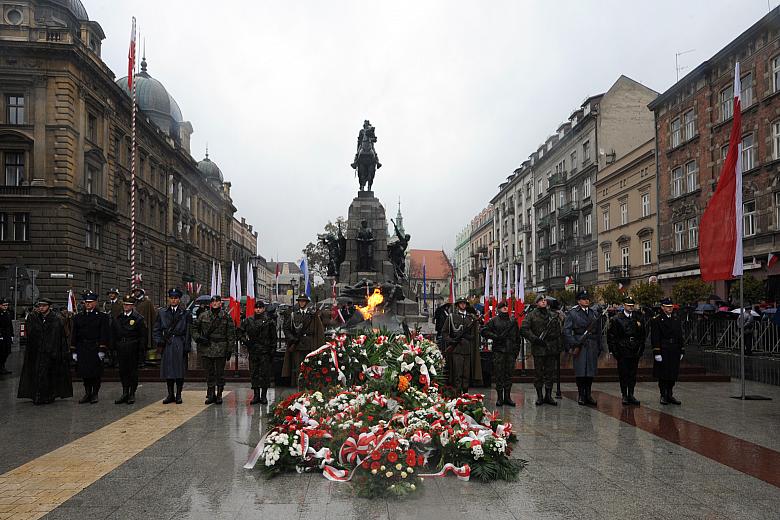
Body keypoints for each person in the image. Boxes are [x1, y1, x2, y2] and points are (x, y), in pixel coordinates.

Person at [17, 298, 73, 404]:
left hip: (51, 353)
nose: (41, 308)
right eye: (40, 306)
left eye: (43, 306)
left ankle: (49, 395)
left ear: (49, 307)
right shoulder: (34, 318)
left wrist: (59, 352)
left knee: (49, 375)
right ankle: (37, 396)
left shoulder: (56, 319)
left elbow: (59, 337)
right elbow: (31, 334)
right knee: (38, 374)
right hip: (37, 352)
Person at [191, 295, 236, 405]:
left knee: (219, 373)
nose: (215, 303)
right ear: (210, 304)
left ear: (221, 303)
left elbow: (231, 334)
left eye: (217, 301)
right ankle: (211, 394)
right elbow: (193, 328)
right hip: (207, 348)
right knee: (209, 373)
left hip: (221, 348)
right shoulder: (203, 315)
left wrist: (230, 349)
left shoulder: (226, 316)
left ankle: (219, 395)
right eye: (213, 301)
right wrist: (199, 338)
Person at [521, 294, 563, 407]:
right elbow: (524, 329)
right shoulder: (531, 315)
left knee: (550, 373)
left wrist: (559, 346)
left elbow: (559, 331)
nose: (543, 302)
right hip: (539, 348)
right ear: (536, 303)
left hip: (551, 348)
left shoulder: (553, 315)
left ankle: (548, 395)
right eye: (540, 300)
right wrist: (534, 339)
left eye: (544, 300)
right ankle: (539, 396)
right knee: (538, 373)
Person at [563, 290, 604, 406]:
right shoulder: (573, 313)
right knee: (581, 371)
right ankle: (581, 394)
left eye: (588, 299)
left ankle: (588, 394)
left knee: (590, 372)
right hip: (579, 345)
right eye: (584, 299)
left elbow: (598, 331)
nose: (587, 300)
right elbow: (566, 331)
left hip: (591, 345)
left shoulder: (593, 313)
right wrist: (574, 343)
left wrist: (600, 345)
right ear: (579, 301)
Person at [70, 291, 110, 404]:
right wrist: (73, 350)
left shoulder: (102, 317)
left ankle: (95, 394)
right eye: (86, 302)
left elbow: (104, 333)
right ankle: (87, 393)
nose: (88, 304)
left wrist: (102, 349)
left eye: (90, 302)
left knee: (95, 373)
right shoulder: (78, 317)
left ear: (95, 303)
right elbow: (74, 334)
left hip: (95, 347)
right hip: (82, 347)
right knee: (84, 372)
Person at [153, 288, 191, 404]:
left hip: (179, 341)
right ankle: (170, 394)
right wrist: (159, 341)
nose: (173, 300)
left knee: (179, 369)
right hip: (167, 342)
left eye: (176, 298)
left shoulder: (185, 313)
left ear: (179, 300)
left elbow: (189, 331)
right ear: (169, 299)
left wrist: (187, 346)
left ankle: (178, 394)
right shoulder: (162, 312)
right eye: (171, 298)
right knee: (168, 369)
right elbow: (157, 328)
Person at [607, 296, 647, 406]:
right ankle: (624, 394)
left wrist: (640, 348)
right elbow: (612, 336)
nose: (630, 307)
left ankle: (631, 394)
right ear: (624, 305)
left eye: (632, 305)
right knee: (623, 373)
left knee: (633, 373)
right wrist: (614, 351)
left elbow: (643, 334)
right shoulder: (616, 318)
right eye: (628, 305)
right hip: (623, 349)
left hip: (634, 349)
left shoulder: (638, 317)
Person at [481, 300, 521, 407]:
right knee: (499, 375)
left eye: (506, 306)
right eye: (503, 307)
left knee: (509, 375)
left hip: (510, 352)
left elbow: (518, 338)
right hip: (499, 352)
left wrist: (516, 351)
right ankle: (499, 398)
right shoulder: (494, 320)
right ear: (498, 309)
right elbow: (484, 331)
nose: (505, 308)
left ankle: (507, 397)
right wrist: (496, 337)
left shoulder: (513, 321)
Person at [111, 294, 148, 404]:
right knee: (123, 371)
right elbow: (114, 333)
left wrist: (141, 351)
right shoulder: (119, 318)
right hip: (121, 348)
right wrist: (113, 347)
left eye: (129, 305)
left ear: (132, 306)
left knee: (132, 372)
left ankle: (132, 393)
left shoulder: (138, 319)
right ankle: (125, 392)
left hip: (133, 348)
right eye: (125, 304)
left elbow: (143, 336)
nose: (126, 306)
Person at [441, 296, 482, 394]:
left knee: (466, 374)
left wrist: (471, 337)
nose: (463, 305)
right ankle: (457, 394)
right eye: (461, 303)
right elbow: (444, 332)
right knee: (457, 374)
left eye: (464, 303)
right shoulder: (452, 317)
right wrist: (451, 341)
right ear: (458, 305)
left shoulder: (471, 318)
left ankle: (465, 394)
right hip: (456, 349)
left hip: (467, 350)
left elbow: (475, 334)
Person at [282, 294, 324, 388]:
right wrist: (292, 338)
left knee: (310, 366)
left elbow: (319, 330)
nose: (302, 302)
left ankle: (309, 386)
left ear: (307, 303)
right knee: (298, 367)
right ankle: (299, 386)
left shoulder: (312, 315)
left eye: (303, 301)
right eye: (300, 301)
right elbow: (287, 329)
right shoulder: (293, 315)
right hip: (298, 345)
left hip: (310, 344)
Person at [241, 300, 277, 404]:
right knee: (254, 373)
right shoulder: (249, 320)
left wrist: (272, 350)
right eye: (256, 308)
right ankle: (256, 395)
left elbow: (273, 338)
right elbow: (240, 331)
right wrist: (245, 341)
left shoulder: (269, 321)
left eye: (260, 308)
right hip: (253, 351)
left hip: (265, 351)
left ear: (263, 309)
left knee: (264, 374)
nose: (258, 309)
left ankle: (264, 396)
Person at [651, 297, 685, 405]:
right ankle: (663, 394)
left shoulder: (676, 318)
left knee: (673, 373)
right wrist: (657, 352)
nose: (670, 309)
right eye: (667, 307)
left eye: (671, 307)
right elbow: (655, 337)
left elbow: (680, 335)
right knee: (663, 374)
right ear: (662, 307)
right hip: (664, 348)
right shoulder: (657, 319)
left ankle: (670, 394)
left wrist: (682, 349)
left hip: (674, 349)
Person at [133, 288, 157, 365]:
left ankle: (142, 360)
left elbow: (152, 315)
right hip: (133, 327)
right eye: (135, 291)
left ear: (141, 292)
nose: (136, 293)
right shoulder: (133, 302)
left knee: (143, 344)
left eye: (138, 291)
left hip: (144, 327)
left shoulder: (147, 302)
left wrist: (152, 326)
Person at [0, 297, 13, 374]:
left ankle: (2, 366)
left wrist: (12, 335)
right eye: (4, 305)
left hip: (7, 335)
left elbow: (10, 325)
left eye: (6, 305)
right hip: (1, 336)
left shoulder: (8, 313)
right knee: (1, 352)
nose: (5, 306)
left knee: (7, 351)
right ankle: (1, 367)